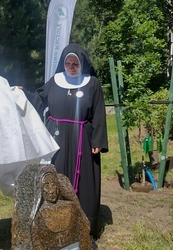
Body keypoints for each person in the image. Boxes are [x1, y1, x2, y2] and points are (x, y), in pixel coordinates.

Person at [23, 43, 109, 240]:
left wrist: (98, 139)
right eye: (67, 63)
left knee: (86, 180)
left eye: (75, 64)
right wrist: (22, 93)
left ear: (82, 65)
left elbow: (99, 113)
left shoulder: (92, 83)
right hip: (58, 136)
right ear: (63, 63)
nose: (71, 67)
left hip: (83, 138)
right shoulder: (55, 81)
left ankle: (86, 225)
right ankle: (58, 223)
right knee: (58, 176)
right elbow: (38, 99)